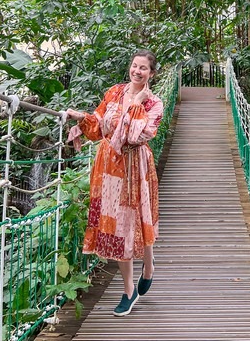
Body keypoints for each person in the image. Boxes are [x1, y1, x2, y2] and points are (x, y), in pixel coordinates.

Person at [66, 50, 163, 317]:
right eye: (134, 66)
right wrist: (80, 117)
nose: (137, 71)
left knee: (137, 219)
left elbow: (136, 135)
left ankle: (149, 264)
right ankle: (129, 290)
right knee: (117, 226)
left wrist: (137, 103)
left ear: (151, 74)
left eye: (143, 68)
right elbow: (99, 125)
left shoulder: (154, 104)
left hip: (136, 166)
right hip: (108, 167)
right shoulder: (114, 92)